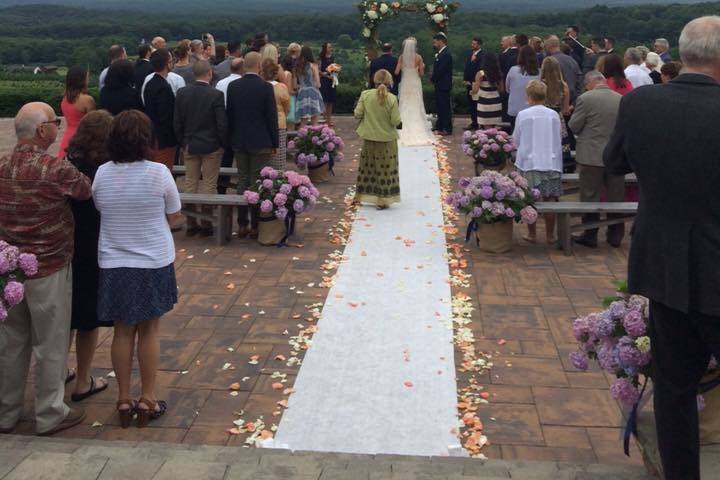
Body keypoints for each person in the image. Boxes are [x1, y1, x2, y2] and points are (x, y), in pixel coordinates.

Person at [603, 16, 720, 480]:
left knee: (674, 387)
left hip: (663, 267)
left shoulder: (642, 105)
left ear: (682, 52)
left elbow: (614, 161)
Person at [0, 102, 90, 435]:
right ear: (42, 131)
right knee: (50, 344)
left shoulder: (2, 165)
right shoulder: (55, 169)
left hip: (8, 270)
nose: (57, 127)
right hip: (49, 265)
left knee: (11, 343)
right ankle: (50, 413)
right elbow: (85, 189)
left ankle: (5, 412)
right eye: (55, 122)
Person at [93, 110, 181, 428]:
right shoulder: (158, 172)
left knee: (122, 330)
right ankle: (147, 396)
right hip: (152, 260)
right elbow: (174, 213)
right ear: (147, 139)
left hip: (115, 260)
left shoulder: (102, 172)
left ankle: (122, 398)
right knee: (150, 330)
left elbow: (100, 206)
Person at [65, 110, 114, 402]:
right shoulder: (106, 170)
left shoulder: (69, 162)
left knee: (64, 317)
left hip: (66, 244)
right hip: (94, 245)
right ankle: (83, 379)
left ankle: (59, 370)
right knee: (87, 319)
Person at [568, 71, 624, 249]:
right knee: (616, 197)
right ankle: (615, 235)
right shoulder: (620, 98)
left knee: (590, 195)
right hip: (615, 155)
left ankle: (590, 234)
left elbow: (574, 125)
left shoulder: (586, 98)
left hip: (591, 155)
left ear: (589, 83)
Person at [226, 52, 279, 238]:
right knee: (257, 182)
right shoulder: (265, 88)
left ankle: (242, 224)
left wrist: (231, 138)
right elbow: (271, 118)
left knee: (242, 180)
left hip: (239, 140)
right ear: (259, 66)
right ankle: (256, 225)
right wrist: (275, 142)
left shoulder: (233, 87)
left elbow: (229, 115)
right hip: (261, 141)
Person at [174, 60, 228, 237]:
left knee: (190, 183)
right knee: (209, 185)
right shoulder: (216, 95)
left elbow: (177, 122)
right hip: (211, 145)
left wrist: (183, 142)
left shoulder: (182, 93)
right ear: (210, 73)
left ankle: (191, 222)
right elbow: (221, 124)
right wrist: (222, 143)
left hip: (190, 144)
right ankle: (206, 222)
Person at [513, 80, 562, 244]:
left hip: (529, 163)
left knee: (529, 200)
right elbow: (559, 136)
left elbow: (516, 139)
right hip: (551, 161)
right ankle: (550, 235)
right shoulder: (553, 114)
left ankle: (532, 233)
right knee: (551, 199)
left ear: (528, 96)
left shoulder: (523, 114)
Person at [354, 69, 402, 210]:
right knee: (385, 169)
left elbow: (357, 114)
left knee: (368, 168)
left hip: (369, 137)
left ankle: (362, 195)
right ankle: (383, 199)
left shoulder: (365, 95)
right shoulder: (392, 98)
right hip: (387, 139)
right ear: (389, 82)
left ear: (374, 81)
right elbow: (395, 121)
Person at [143, 48, 179, 170]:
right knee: (164, 170)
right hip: (163, 140)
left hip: (153, 135)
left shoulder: (150, 83)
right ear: (166, 64)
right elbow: (166, 117)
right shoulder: (163, 87)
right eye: (171, 60)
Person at [396, 37, 434, 146]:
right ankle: (418, 126)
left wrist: (404, 67)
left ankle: (401, 126)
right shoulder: (419, 58)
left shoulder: (401, 57)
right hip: (415, 83)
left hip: (405, 84)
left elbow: (396, 71)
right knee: (416, 103)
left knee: (404, 104)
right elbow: (421, 74)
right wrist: (421, 67)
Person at [58, 66, 95, 159]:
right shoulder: (87, 99)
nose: (88, 79)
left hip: (68, 137)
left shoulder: (65, 99)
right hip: (83, 137)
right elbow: (94, 123)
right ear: (82, 80)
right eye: (87, 77)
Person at [261, 58, 291, 172]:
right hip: (279, 123)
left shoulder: (260, 86)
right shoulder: (281, 87)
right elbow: (287, 107)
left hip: (263, 124)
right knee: (278, 157)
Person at [540, 56, 571, 154]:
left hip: (542, 118)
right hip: (557, 118)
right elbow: (565, 110)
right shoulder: (563, 86)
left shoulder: (540, 85)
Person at [506, 45, 540, 130]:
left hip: (515, 109)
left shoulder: (513, 70)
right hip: (533, 110)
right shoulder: (540, 72)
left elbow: (507, 89)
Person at [470, 52, 504, 128]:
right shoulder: (499, 73)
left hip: (484, 103)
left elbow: (475, 90)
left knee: (486, 129)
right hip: (496, 103)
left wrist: (471, 92)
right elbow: (501, 90)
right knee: (493, 130)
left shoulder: (480, 73)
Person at [544, 35, 580, 103]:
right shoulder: (572, 60)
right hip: (572, 102)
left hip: (555, 102)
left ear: (548, 46)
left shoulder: (549, 61)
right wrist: (574, 104)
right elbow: (579, 82)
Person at [430, 33, 453, 136]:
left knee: (444, 107)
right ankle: (440, 126)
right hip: (440, 84)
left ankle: (446, 128)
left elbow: (441, 70)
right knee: (440, 106)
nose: (434, 44)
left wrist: (432, 78)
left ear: (441, 41)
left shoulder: (446, 54)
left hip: (443, 85)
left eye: (435, 42)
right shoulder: (440, 53)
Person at [294, 46, 323, 125]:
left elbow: (295, 85)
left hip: (302, 93)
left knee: (303, 122)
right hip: (313, 92)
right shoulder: (314, 66)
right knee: (314, 121)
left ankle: (301, 137)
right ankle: (314, 137)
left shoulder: (297, 66)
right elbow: (318, 84)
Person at [463, 37, 485, 131]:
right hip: (468, 83)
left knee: (477, 104)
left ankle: (479, 123)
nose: (472, 45)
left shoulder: (482, 55)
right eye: (472, 43)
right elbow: (467, 67)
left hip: (476, 83)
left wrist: (472, 80)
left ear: (479, 45)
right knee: (471, 104)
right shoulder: (469, 54)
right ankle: (473, 122)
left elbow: (479, 69)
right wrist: (465, 79)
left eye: (474, 44)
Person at [319, 42, 337, 127]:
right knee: (325, 101)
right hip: (324, 81)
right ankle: (325, 119)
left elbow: (335, 68)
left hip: (332, 81)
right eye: (329, 47)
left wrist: (335, 74)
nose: (331, 49)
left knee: (331, 101)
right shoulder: (321, 58)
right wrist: (325, 74)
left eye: (331, 47)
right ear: (325, 48)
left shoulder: (333, 58)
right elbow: (318, 70)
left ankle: (329, 119)